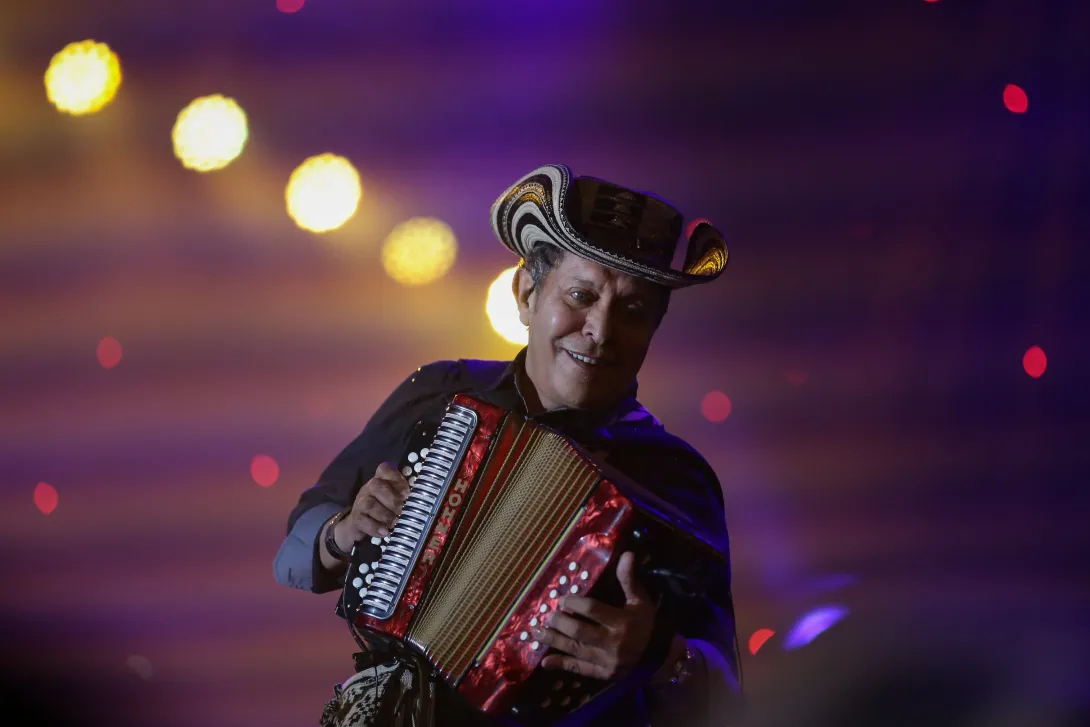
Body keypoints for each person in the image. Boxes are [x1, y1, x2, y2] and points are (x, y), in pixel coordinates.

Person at [274, 164, 741, 726]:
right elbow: (294, 556)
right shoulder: (441, 391)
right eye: (580, 294)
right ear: (526, 294)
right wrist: (342, 531)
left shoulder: (674, 478)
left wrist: (662, 658)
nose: (601, 328)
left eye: (633, 311)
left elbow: (728, 696)